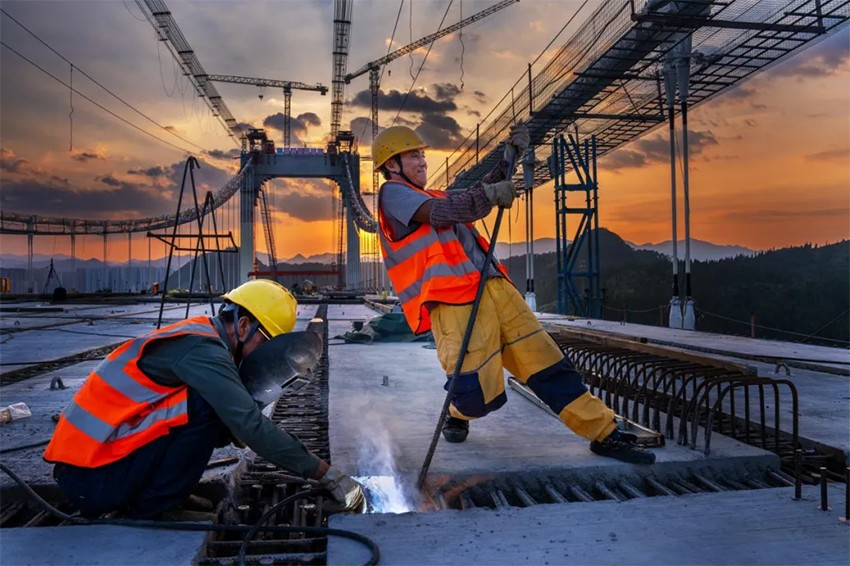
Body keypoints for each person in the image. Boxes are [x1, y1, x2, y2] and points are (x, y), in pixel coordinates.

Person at [372, 125, 655, 465]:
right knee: (475, 391)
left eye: (422, 153)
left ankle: (604, 433)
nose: (422, 160)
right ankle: (459, 414)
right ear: (392, 165)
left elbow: (471, 194)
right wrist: (489, 196)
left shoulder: (435, 194)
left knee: (546, 361)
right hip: (454, 303)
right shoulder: (393, 195)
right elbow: (447, 213)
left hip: (494, 288)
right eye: (413, 155)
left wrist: (509, 158)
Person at [43, 279, 365, 520]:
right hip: (92, 478)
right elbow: (250, 427)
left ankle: (162, 496)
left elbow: (227, 431)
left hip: (94, 469)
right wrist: (325, 473)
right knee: (204, 406)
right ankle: (156, 509)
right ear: (242, 325)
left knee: (207, 411)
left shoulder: (202, 338)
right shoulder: (205, 352)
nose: (261, 358)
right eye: (263, 345)